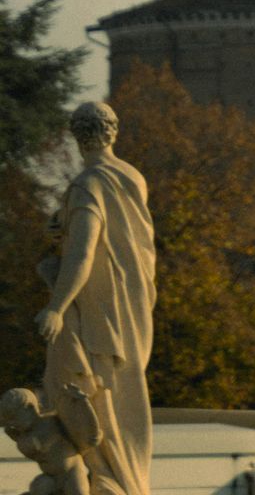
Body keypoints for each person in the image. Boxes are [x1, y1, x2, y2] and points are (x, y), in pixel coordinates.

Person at [32, 103, 155, 495]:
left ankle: (112, 480)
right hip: (133, 305)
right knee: (125, 393)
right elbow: (123, 243)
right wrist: (65, 222)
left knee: (98, 395)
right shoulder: (131, 177)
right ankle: (129, 480)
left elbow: (83, 254)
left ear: (76, 135)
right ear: (113, 133)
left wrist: (57, 307)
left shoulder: (89, 185)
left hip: (102, 313)